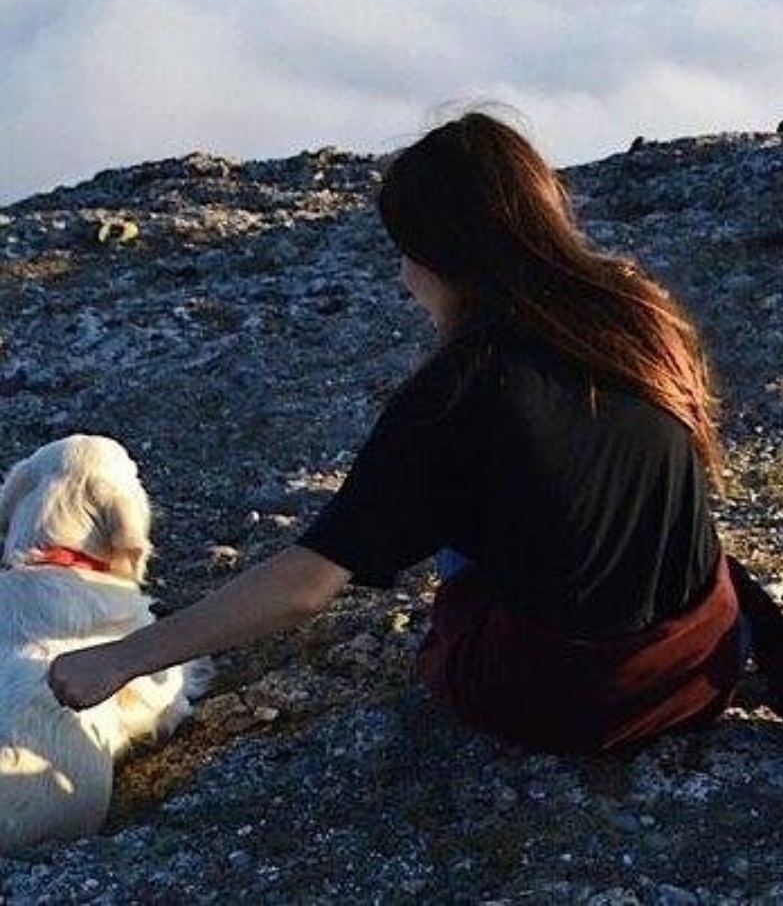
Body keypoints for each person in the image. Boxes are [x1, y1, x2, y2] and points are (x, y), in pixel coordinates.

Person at [49, 111, 743, 755]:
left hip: (582, 703)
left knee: (450, 503)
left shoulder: (459, 390)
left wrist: (117, 660)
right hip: (707, 655)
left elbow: (307, 585)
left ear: (439, 256)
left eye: (405, 252)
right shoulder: (637, 312)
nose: (402, 274)